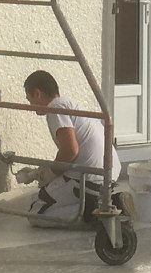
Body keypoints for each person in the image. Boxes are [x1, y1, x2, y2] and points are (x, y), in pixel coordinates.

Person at [21, 69, 119, 223]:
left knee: (36, 213)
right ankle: (110, 202)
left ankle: (96, 213)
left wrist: (48, 175)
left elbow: (70, 151)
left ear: (37, 93)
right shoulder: (71, 104)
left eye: (30, 99)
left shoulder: (55, 108)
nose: (31, 107)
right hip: (109, 175)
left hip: (89, 179)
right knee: (44, 195)